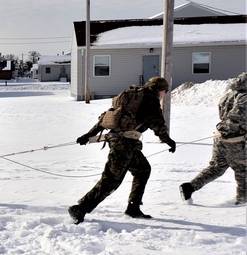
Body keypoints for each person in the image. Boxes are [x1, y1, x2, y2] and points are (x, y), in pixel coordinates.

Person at [69, 76, 177, 223]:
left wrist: (90, 134)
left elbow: (108, 116)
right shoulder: (150, 100)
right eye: (165, 91)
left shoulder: (131, 96)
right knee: (111, 180)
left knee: (143, 170)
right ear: (160, 90)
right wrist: (168, 140)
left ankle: (133, 207)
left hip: (125, 143)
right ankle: (81, 208)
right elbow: (158, 124)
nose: (165, 95)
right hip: (124, 144)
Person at [180, 71, 247, 205]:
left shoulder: (229, 95)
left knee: (217, 167)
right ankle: (243, 202)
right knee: (243, 170)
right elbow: (236, 119)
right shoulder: (244, 98)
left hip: (220, 138)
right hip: (234, 140)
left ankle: (189, 187)